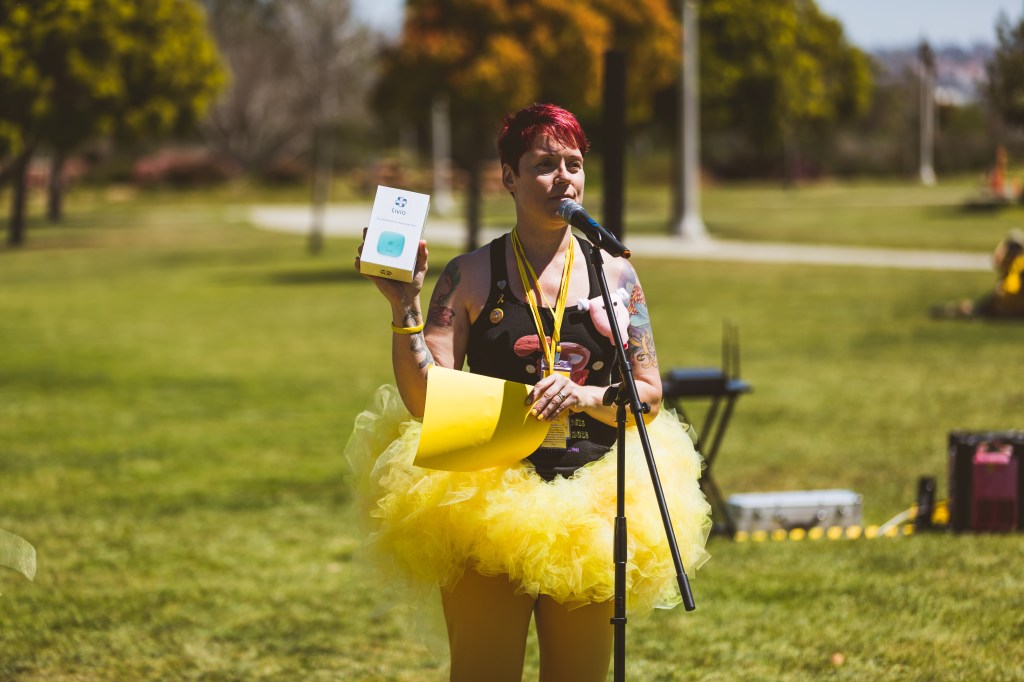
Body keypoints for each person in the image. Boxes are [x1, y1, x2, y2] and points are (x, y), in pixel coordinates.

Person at [348, 103, 710, 682]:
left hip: (594, 505)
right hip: (484, 502)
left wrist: (585, 397)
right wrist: (404, 307)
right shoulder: (468, 275)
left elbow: (648, 395)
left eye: (573, 163)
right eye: (544, 164)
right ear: (509, 177)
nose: (563, 177)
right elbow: (425, 401)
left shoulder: (616, 274)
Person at [932, 229, 1024, 319]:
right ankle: (957, 310)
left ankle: (956, 311)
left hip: (1009, 308)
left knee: (977, 308)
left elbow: (1008, 292)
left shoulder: (1017, 267)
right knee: (976, 307)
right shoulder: (1015, 267)